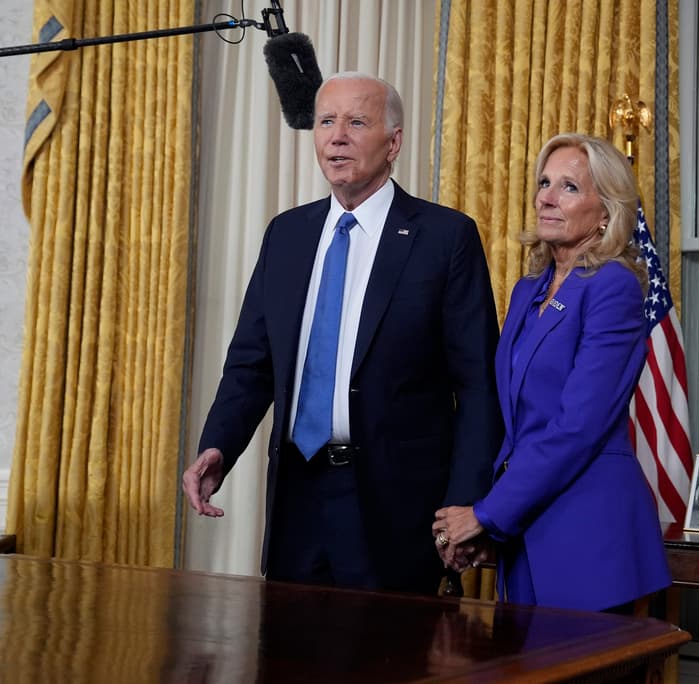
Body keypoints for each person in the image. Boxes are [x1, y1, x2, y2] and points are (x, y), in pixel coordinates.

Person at [182, 72, 503, 594]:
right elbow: (251, 362)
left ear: (393, 142)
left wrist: (466, 501)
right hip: (297, 497)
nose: (337, 136)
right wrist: (219, 445)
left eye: (357, 122)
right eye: (327, 121)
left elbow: (477, 386)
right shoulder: (287, 234)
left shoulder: (445, 238)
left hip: (395, 508)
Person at [430, 133, 671, 612]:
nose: (547, 197)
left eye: (569, 187)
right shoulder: (527, 291)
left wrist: (485, 514)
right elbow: (517, 424)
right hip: (527, 530)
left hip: (589, 538)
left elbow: (576, 427)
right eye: (544, 183)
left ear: (606, 212)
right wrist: (494, 527)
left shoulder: (613, 287)